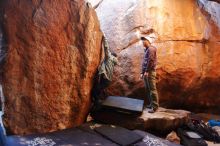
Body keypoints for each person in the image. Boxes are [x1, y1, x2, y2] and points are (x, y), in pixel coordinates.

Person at [91, 36, 118, 111]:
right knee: (99, 91)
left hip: (105, 79)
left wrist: (104, 37)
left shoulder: (109, 58)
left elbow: (106, 48)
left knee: (95, 91)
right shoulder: (113, 62)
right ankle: (99, 104)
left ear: (111, 55)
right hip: (107, 80)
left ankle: (97, 106)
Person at [140, 36, 159, 113]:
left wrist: (147, 71)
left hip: (150, 72)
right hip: (147, 72)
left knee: (152, 89)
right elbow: (145, 62)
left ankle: (154, 107)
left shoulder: (151, 49)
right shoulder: (147, 50)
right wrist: (142, 72)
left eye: (143, 41)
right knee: (148, 89)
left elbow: (150, 60)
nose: (142, 43)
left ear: (147, 41)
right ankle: (151, 104)